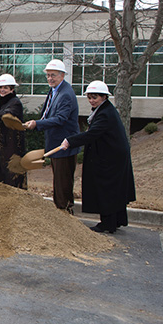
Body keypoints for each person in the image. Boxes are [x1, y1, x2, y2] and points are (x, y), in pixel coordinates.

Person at [60, 81, 135, 233]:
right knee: (115, 189)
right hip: (112, 154)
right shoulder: (103, 110)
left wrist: (70, 141)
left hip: (112, 158)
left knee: (107, 189)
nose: (92, 100)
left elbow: (92, 134)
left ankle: (107, 223)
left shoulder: (105, 114)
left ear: (104, 97)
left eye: (95, 97)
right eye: (89, 97)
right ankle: (118, 220)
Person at [24, 59, 80, 213]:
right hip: (56, 143)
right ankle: (62, 209)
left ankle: (65, 211)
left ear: (62, 75)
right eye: (48, 75)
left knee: (63, 181)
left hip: (64, 146)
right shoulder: (55, 90)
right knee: (59, 180)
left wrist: (37, 124)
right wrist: (37, 122)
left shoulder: (66, 94)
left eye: (53, 75)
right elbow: (47, 112)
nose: (50, 78)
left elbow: (61, 119)